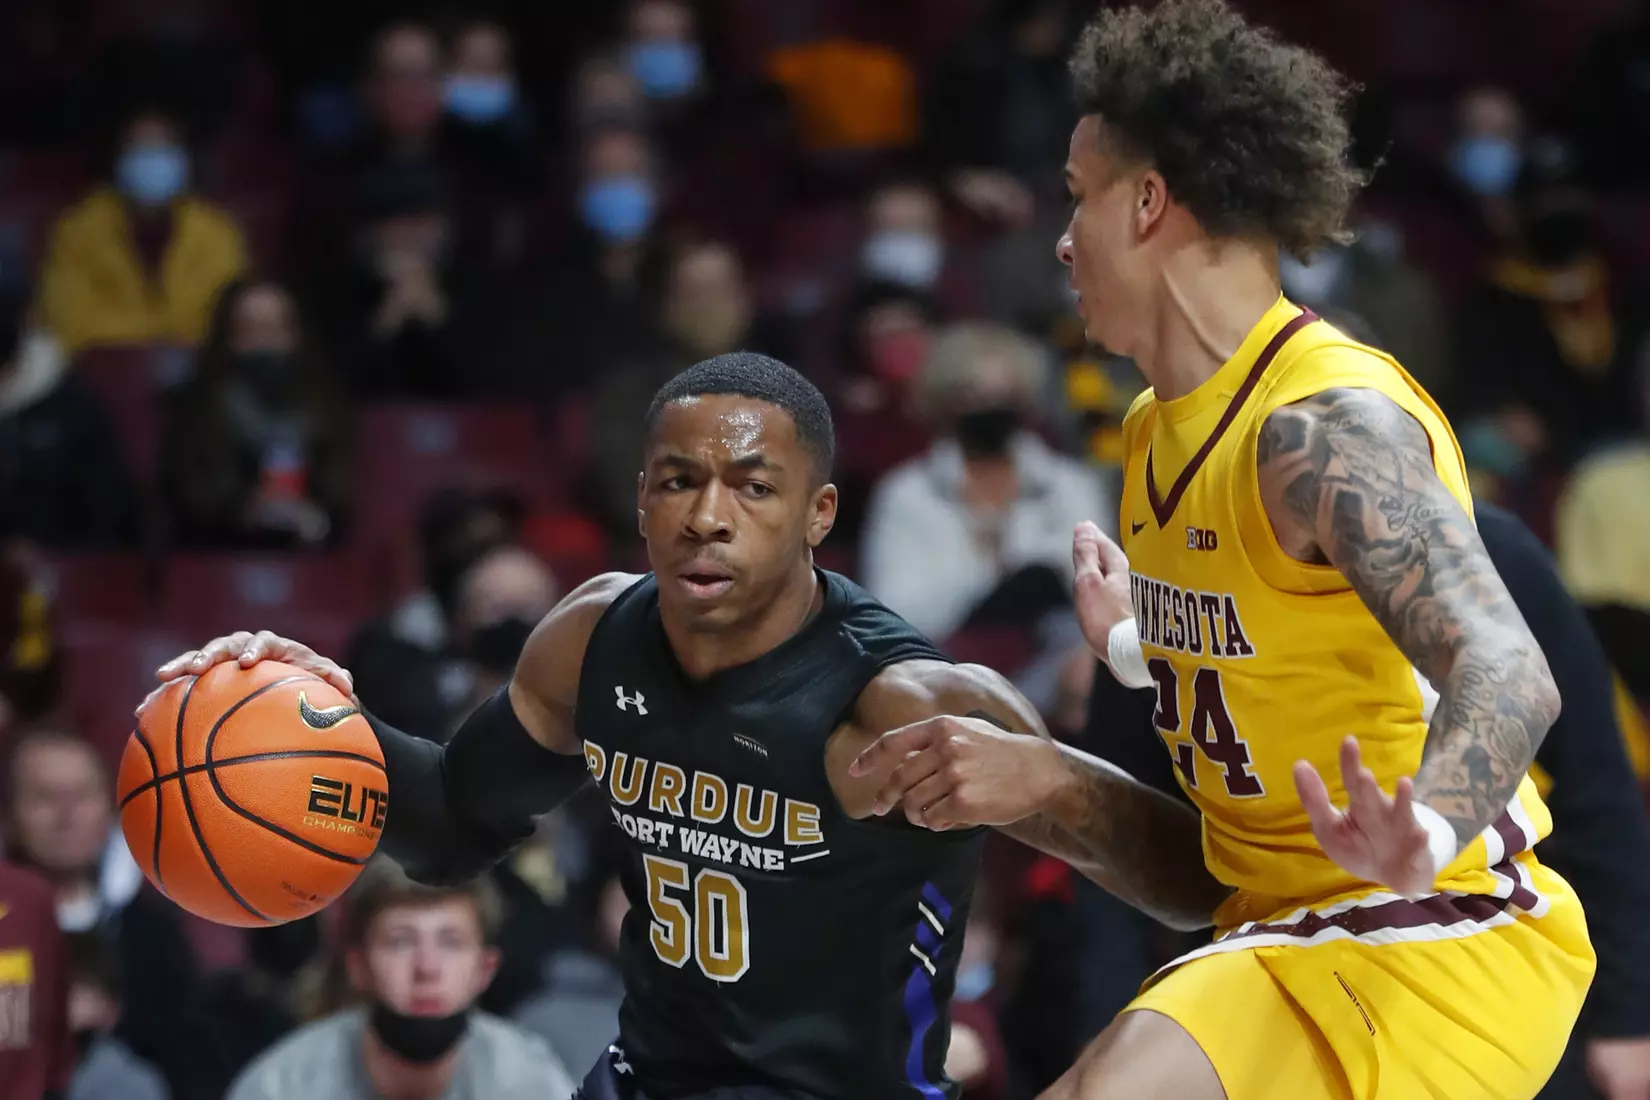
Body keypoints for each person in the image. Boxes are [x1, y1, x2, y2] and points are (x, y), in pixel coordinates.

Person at [851, 1, 1595, 1097]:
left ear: (1148, 202)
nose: (1061, 240)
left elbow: (1509, 667)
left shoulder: (1322, 426)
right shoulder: (1157, 430)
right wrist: (1102, 706)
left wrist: (1428, 824)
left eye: (1077, 198)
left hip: (1441, 926)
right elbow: (1213, 861)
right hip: (1294, 929)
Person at [140, 352, 1207, 1099]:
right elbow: (453, 824)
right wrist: (304, 711)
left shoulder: (909, 697)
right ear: (641, 498)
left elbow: (1193, 883)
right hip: (649, 1076)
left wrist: (1053, 785)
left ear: (818, 514)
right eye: (680, 481)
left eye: (754, 486)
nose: (709, 514)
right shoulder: (592, 639)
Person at [225, 858, 574, 1100]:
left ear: (485, 969)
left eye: (450, 942)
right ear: (358, 965)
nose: (426, 968)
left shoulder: (531, 1080)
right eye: (400, 941)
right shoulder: (284, 1085)